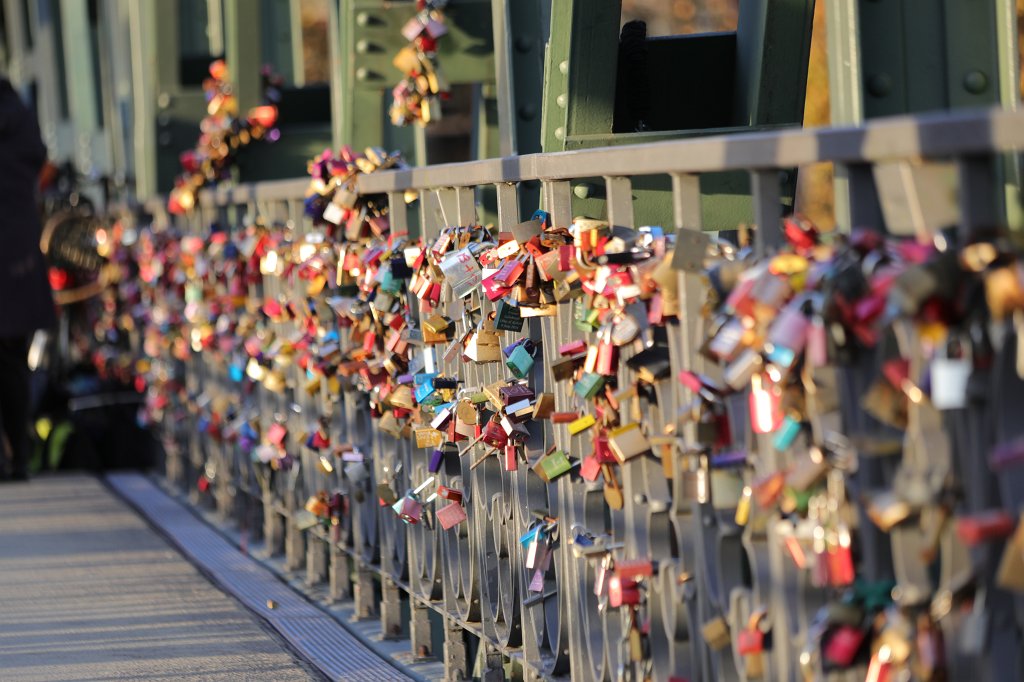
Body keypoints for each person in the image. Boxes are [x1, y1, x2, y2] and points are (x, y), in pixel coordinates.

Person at [0, 77, 57, 481]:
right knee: (14, 361)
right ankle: (18, 454)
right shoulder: (18, 114)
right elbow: (39, 160)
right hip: (16, 253)